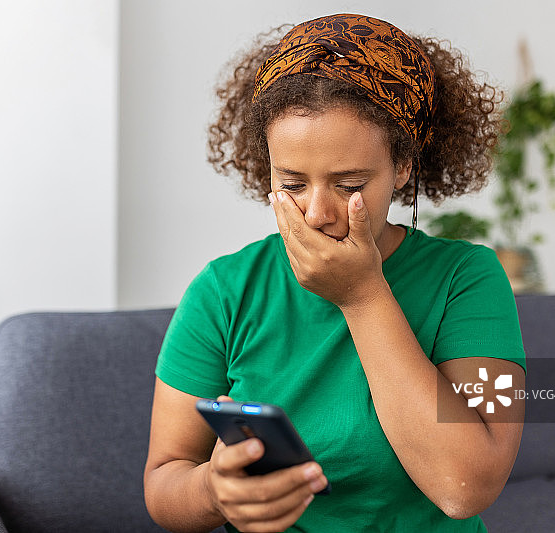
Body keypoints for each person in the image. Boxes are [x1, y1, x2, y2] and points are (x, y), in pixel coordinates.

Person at [144, 13, 526, 533]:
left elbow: (467, 487)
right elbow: (165, 482)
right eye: (293, 183)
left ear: (404, 165)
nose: (318, 213)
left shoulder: (468, 278)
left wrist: (363, 296)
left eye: (349, 183)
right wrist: (214, 490)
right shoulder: (224, 290)